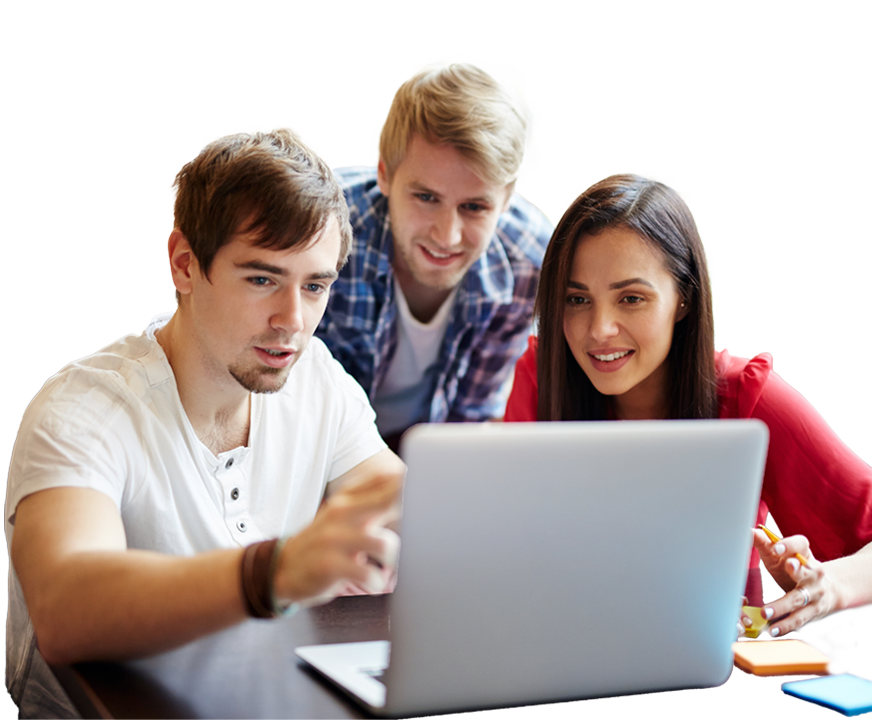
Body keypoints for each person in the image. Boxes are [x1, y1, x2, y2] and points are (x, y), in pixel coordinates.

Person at [5, 130, 405, 720]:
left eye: (315, 286)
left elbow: (402, 509)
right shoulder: (82, 409)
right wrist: (273, 572)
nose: (293, 321)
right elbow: (64, 610)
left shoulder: (317, 377)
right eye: (262, 279)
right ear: (184, 264)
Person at [505, 173, 872, 637]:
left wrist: (829, 585)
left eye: (631, 298)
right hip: (558, 646)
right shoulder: (541, 378)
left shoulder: (747, 397)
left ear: (684, 299)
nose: (598, 329)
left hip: (705, 661)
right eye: (577, 299)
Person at [315, 63, 553, 450]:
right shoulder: (319, 231)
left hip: (429, 452)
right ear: (384, 173)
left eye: (474, 207)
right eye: (426, 197)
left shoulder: (530, 264)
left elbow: (467, 422)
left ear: (506, 198)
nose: (447, 235)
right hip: (319, 446)